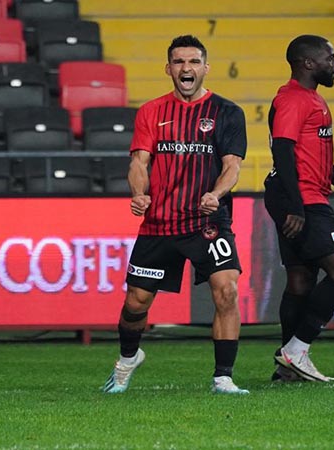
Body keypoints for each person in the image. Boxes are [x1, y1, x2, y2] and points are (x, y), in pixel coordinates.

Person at [101, 35, 249, 395]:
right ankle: (127, 359)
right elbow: (139, 161)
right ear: (169, 69)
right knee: (136, 304)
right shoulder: (151, 112)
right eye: (179, 62)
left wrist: (216, 193)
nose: (187, 68)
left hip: (207, 222)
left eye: (194, 62)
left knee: (226, 290)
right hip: (160, 224)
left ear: (205, 68)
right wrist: (139, 194)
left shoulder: (227, 112)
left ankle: (223, 377)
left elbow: (233, 165)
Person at [264, 34, 334, 383]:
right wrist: (296, 207)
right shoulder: (295, 100)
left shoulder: (312, 99)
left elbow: (315, 158)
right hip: (301, 198)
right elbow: (282, 152)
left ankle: (288, 368)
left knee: (300, 281)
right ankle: (297, 349)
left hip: (298, 194)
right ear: (308, 63)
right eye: (330, 57)